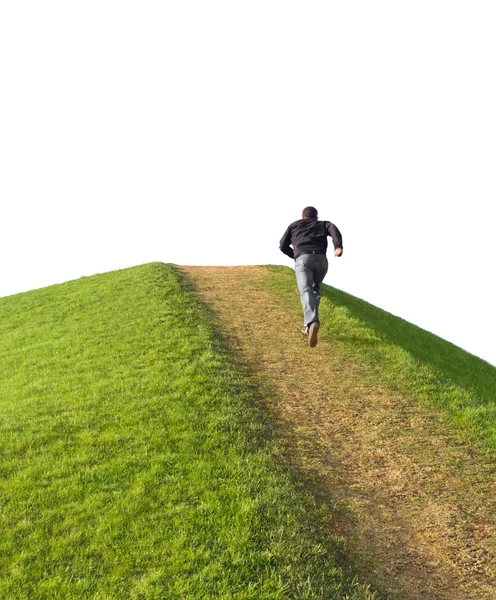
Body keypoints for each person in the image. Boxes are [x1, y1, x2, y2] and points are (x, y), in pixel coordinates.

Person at [279, 206, 343, 347]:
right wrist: (338, 247)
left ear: (302, 217)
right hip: (321, 260)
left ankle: (312, 321)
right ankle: (307, 326)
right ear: (316, 218)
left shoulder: (295, 225)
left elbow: (282, 245)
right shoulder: (323, 224)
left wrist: (296, 256)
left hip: (304, 259)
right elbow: (333, 229)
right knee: (315, 290)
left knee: (306, 290)